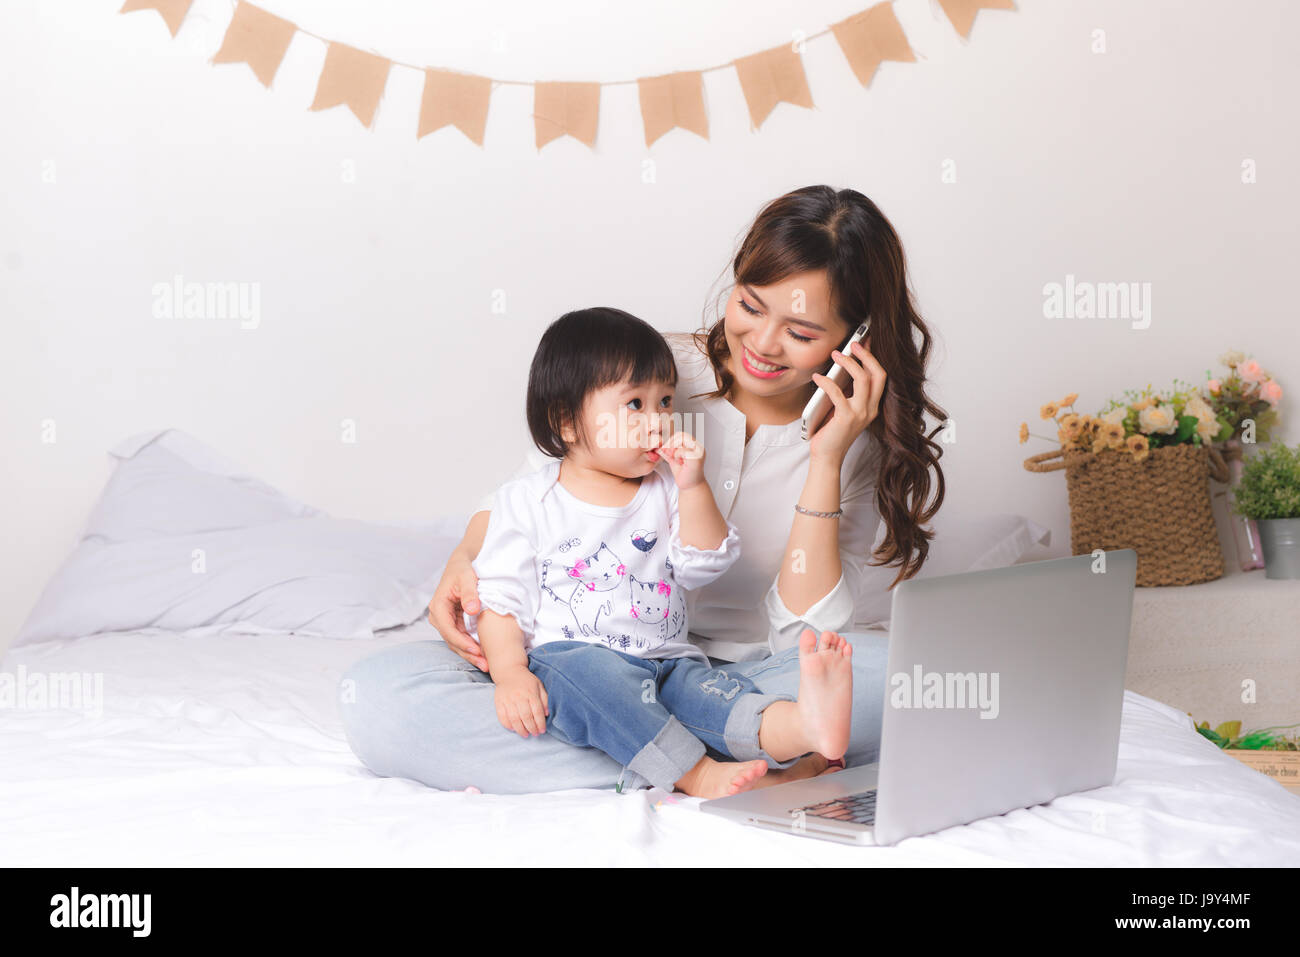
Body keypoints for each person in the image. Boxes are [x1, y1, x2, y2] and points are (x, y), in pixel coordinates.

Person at [338, 185, 948, 794]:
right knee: (380, 698)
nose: (761, 344)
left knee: (894, 681)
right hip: (582, 659)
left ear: (854, 337)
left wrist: (826, 460)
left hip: (743, 674)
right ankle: (728, 757)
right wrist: (464, 558)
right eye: (751, 305)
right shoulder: (660, 372)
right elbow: (540, 482)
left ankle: (664, 745)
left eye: (801, 330)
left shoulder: (855, 435)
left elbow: (807, 638)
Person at [467, 307, 856, 797]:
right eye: (635, 404)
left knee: (717, 697)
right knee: (596, 683)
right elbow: (501, 601)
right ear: (567, 422)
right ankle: (695, 774)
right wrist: (511, 675)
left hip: (671, 661)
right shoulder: (525, 501)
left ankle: (804, 728)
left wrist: (693, 487)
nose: (658, 421)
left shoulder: (667, 487)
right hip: (576, 664)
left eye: (665, 401)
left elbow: (702, 565)